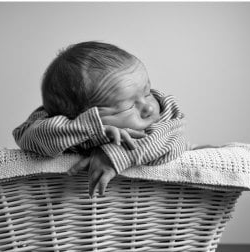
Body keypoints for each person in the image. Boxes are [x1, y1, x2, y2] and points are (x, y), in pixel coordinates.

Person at [13, 41, 192, 197]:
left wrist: (114, 155)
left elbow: (175, 139)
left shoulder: (164, 111)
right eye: (128, 106)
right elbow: (25, 135)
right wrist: (88, 128)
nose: (149, 107)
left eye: (146, 92)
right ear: (80, 115)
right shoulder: (66, 127)